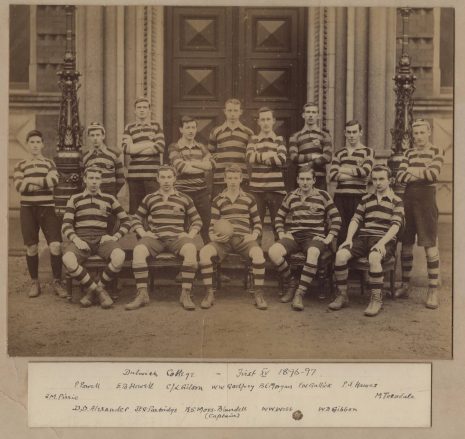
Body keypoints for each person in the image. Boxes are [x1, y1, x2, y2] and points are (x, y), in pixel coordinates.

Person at [329, 165, 404, 316]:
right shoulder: (365, 199)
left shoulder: (397, 201)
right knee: (340, 255)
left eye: (382, 179)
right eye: (375, 179)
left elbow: (395, 226)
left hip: (384, 238)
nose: (378, 183)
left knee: (374, 256)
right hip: (363, 237)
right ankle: (342, 295)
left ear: (390, 180)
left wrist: (382, 243)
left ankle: (376, 299)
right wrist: (349, 239)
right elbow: (355, 220)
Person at [128, 165, 202, 311]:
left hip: (176, 238)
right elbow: (136, 218)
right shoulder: (150, 198)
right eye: (163, 177)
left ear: (174, 178)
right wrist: (143, 233)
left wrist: (190, 234)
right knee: (138, 251)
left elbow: (197, 220)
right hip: (156, 238)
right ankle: (142, 293)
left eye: (169, 177)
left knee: (191, 249)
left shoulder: (184, 198)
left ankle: (185, 293)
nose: (166, 181)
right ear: (157, 179)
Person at [268, 165, 341, 311]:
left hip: (315, 237)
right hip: (295, 235)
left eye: (308, 179)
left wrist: (328, 238)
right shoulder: (291, 196)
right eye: (302, 179)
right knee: (273, 251)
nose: (305, 182)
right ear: (297, 180)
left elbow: (337, 218)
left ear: (314, 180)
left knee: (313, 253)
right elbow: (279, 218)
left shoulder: (323, 195)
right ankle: (291, 283)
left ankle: (299, 294)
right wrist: (282, 233)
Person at [198, 165, 267, 310]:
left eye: (236, 178)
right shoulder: (218, 199)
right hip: (224, 240)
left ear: (241, 179)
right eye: (230, 178)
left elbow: (258, 223)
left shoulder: (249, 199)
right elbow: (212, 224)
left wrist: (253, 235)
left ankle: (258, 294)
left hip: (243, 239)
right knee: (204, 253)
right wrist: (213, 236)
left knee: (259, 255)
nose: (233, 181)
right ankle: (209, 293)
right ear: (225, 179)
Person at [61, 167, 131, 309]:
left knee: (119, 256)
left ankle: (94, 291)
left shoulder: (109, 199)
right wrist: (76, 240)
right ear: (85, 179)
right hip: (81, 239)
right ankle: (99, 291)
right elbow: (66, 225)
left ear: (101, 181)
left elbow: (127, 221)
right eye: (91, 178)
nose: (94, 182)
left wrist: (115, 236)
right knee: (68, 259)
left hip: (101, 239)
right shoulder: (75, 199)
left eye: (97, 178)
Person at [395, 119, 444, 309]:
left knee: (429, 244)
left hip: (426, 202)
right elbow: (400, 176)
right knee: (406, 244)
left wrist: (411, 172)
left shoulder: (437, 151)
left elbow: (433, 175)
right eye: (416, 134)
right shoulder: (408, 153)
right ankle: (405, 285)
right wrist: (421, 171)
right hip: (408, 200)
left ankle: (432, 290)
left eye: (422, 133)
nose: (419, 137)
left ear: (429, 132)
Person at [13, 130, 67, 298]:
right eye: (32, 142)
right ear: (28, 145)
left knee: (56, 245)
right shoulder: (20, 165)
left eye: (38, 142)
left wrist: (29, 180)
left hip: (47, 207)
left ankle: (57, 281)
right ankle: (34, 282)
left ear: (43, 144)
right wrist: (41, 183)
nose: (35, 145)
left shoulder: (49, 163)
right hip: (28, 209)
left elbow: (53, 181)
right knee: (31, 246)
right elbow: (19, 187)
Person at [169, 116, 214, 244]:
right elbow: (182, 168)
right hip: (183, 194)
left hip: (201, 192)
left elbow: (211, 165)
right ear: (181, 129)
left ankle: (210, 258)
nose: (191, 130)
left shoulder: (201, 147)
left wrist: (192, 163)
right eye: (187, 127)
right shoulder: (174, 147)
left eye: (193, 127)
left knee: (207, 225)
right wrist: (201, 165)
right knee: (182, 227)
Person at [329, 120, 374, 244]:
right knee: (341, 231)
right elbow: (332, 175)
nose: (351, 135)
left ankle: (353, 261)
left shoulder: (368, 151)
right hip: (340, 197)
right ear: (345, 133)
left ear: (361, 133)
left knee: (356, 230)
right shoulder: (339, 153)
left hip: (359, 197)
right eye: (349, 132)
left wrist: (342, 170)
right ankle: (340, 262)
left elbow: (365, 171)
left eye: (354, 132)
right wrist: (357, 175)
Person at [246, 107, 287, 238]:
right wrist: (270, 155)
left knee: (278, 223)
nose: (265, 122)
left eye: (268, 119)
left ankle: (278, 252)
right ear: (258, 122)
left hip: (276, 190)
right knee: (256, 224)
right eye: (262, 119)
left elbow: (282, 159)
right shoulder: (253, 139)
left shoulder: (279, 139)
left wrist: (259, 156)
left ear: (273, 121)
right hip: (257, 190)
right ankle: (256, 252)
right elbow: (249, 158)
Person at [122, 97, 165, 214]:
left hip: (152, 175)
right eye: (139, 107)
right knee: (136, 210)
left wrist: (135, 149)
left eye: (145, 107)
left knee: (153, 207)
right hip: (134, 177)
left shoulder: (156, 126)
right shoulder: (129, 127)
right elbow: (126, 148)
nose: (142, 110)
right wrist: (149, 144)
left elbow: (160, 147)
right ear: (135, 111)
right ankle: (138, 232)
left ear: (149, 110)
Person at [208, 98, 254, 198]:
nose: (232, 114)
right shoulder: (216, 131)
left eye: (235, 110)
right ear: (225, 111)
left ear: (240, 112)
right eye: (229, 110)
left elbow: (251, 156)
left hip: (241, 178)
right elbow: (209, 153)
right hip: (220, 178)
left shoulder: (248, 132)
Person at [289, 102, 333, 190]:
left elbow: (327, 157)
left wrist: (309, 164)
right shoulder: (295, 136)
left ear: (318, 116)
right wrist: (314, 156)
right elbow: (293, 157)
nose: (310, 115)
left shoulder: (325, 135)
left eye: (313, 112)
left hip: (319, 178)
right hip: (302, 178)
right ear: (303, 115)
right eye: (308, 112)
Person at [82, 122, 125, 197]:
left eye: (98, 135)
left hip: (109, 193)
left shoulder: (114, 155)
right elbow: (82, 179)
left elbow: (121, 179)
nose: (95, 138)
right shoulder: (85, 157)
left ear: (103, 136)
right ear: (88, 137)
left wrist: (112, 193)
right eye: (92, 135)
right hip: (92, 195)